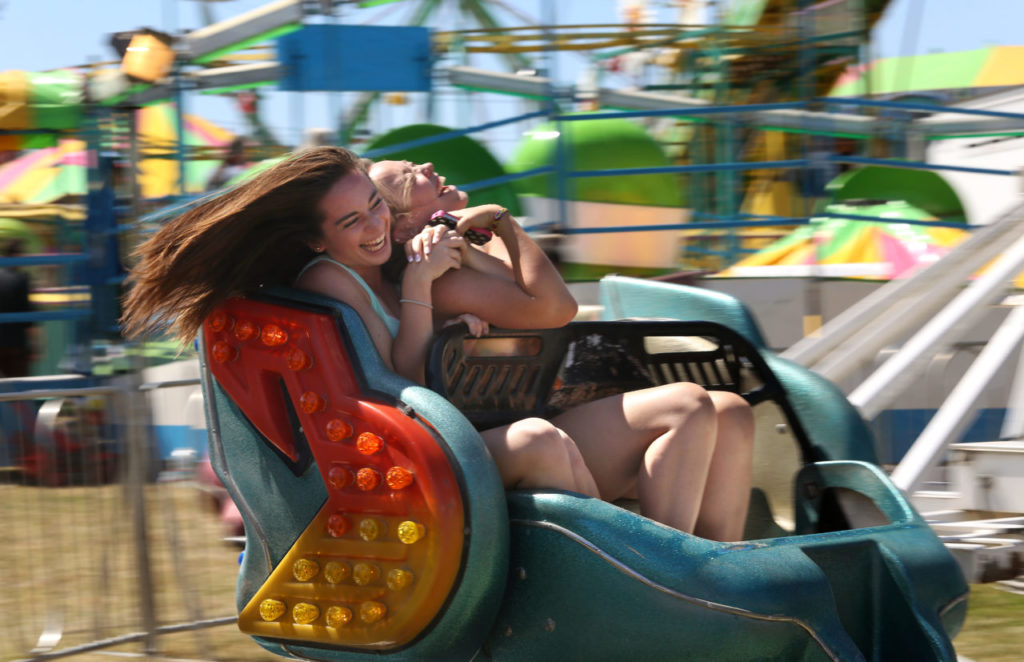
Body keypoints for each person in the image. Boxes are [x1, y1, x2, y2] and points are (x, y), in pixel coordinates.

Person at [369, 158, 755, 541]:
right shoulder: (446, 283)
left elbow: (532, 289)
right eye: (407, 176)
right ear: (404, 225)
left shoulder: (469, 258)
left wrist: (478, 238)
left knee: (732, 411)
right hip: (522, 434)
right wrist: (503, 220)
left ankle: (725, 570)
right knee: (686, 403)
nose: (426, 165)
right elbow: (558, 308)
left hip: (556, 409)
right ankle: (670, 574)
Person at [0, 239, 35, 377]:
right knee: (20, 389)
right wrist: (35, 346)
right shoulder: (22, 279)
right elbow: (28, 317)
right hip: (16, 345)